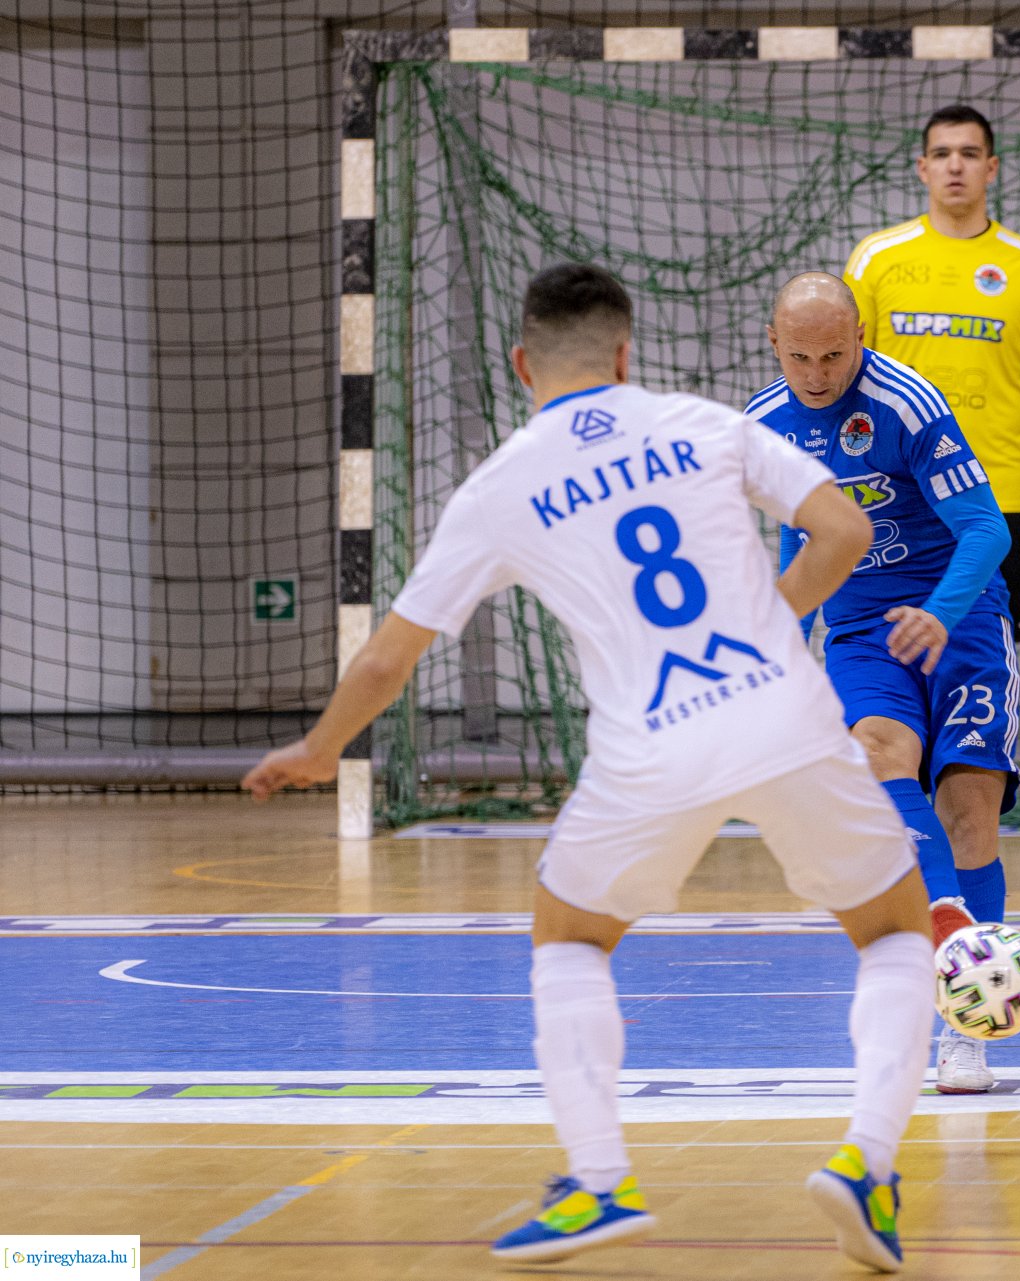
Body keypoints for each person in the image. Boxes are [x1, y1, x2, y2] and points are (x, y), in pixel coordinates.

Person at [242, 262, 932, 1273]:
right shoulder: (705, 423)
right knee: (895, 931)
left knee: (569, 938)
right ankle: (866, 1163)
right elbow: (847, 530)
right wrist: (770, 624)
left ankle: (601, 1184)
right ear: (623, 353)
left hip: (648, 747)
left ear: (523, 364)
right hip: (784, 714)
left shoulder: (500, 485)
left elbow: (390, 658)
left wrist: (317, 749)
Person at [750, 271, 1015, 1096]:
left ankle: (968, 1027)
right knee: (876, 752)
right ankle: (947, 925)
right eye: (800, 358)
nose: (817, 374)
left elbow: (987, 530)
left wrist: (939, 612)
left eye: (834, 355)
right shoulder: (762, 426)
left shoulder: (908, 404)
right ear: (773, 344)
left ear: (861, 337)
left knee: (968, 811)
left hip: (958, 614)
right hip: (863, 628)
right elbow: (801, 544)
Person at [844, 103, 1020, 658]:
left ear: (992, 168)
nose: (955, 165)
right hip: (899, 495)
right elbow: (846, 380)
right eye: (942, 154)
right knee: (893, 654)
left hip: (995, 500)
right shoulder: (875, 259)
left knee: (984, 661)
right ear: (922, 168)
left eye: (970, 154)